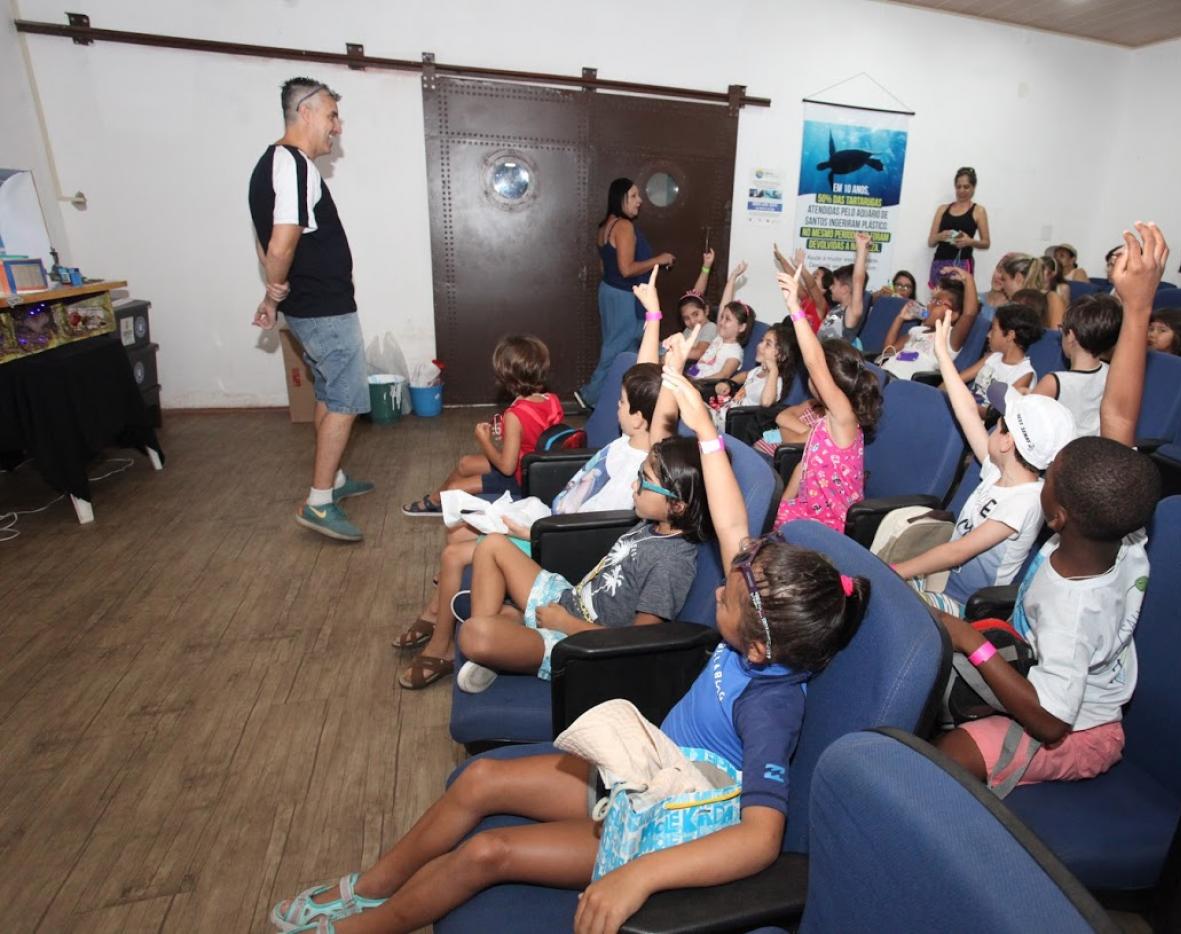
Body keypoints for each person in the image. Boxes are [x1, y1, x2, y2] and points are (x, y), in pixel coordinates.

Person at [269, 368, 870, 934]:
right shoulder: (759, 633)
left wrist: (640, 876)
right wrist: (707, 433)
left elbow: (762, 838)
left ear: (761, 647)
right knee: (480, 779)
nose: (717, 588)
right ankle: (373, 886)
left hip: (656, 824)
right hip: (638, 767)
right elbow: (734, 524)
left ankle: (361, 927)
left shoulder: (770, 704)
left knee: (488, 852)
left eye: (728, 598)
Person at [929, 221, 1171, 794]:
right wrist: (1137, 309)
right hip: (1033, 664)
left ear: (1057, 516)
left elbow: (1050, 719)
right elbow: (1118, 421)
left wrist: (970, 641)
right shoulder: (1122, 530)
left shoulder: (1075, 607)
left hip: (1077, 728)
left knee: (943, 755)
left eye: (1051, 479)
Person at [395, 270, 674, 688]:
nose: (613, 406)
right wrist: (651, 316)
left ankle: (442, 647)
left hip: (559, 534)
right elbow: (646, 382)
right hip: (546, 515)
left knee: (456, 553)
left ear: (640, 418)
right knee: (456, 537)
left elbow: (658, 403)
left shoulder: (647, 456)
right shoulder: (627, 438)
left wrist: (674, 358)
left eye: (620, 402)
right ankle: (436, 615)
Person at [454, 433, 709, 694]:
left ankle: (500, 641)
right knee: (491, 545)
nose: (634, 485)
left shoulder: (672, 562)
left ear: (677, 505)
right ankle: (500, 645)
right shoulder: (654, 525)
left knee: (474, 634)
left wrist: (565, 624)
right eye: (639, 474)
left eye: (645, 482)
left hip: (581, 642)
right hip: (569, 600)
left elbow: (637, 644)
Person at [249, 77, 374, 542]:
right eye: (331, 116)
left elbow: (268, 246)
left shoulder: (272, 167)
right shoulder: (292, 165)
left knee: (327, 390)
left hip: (314, 305)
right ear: (305, 112)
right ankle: (319, 502)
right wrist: (275, 290)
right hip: (323, 306)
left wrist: (273, 295)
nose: (336, 128)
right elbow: (280, 244)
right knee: (345, 398)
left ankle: (334, 480)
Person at [893, 316, 1075, 617]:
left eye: (999, 425)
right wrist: (943, 355)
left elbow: (958, 551)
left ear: (1006, 442)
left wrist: (895, 572)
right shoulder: (999, 470)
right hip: (941, 583)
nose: (990, 428)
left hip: (963, 607)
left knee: (883, 596)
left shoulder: (1026, 501)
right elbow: (967, 411)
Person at [401, 335, 562, 516]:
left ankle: (439, 503)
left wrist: (484, 441)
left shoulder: (514, 416)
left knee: (455, 487)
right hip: (534, 468)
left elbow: (507, 468)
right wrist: (512, 434)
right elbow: (535, 434)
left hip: (520, 480)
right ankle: (434, 500)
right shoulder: (552, 400)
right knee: (465, 464)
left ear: (506, 377)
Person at [775, 270, 883, 534]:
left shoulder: (843, 417)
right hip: (803, 511)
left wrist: (794, 308)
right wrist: (782, 505)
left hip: (826, 526)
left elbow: (814, 362)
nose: (811, 376)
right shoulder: (829, 416)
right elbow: (804, 465)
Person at [578, 178, 675, 409]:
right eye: (633, 196)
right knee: (616, 348)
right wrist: (659, 260)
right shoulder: (623, 226)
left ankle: (620, 398)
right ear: (619, 198)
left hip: (610, 292)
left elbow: (606, 267)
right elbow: (626, 269)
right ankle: (589, 396)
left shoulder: (605, 227)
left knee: (627, 348)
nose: (639, 201)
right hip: (623, 296)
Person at [1031, 294, 1122, 439]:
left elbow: (1021, 420)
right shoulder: (1114, 375)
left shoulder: (1054, 382)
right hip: (1094, 454)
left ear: (1071, 337)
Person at [878, 266, 979, 381]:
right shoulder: (916, 331)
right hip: (883, 374)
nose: (930, 305)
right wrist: (900, 318)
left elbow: (969, 314)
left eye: (938, 302)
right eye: (932, 300)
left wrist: (968, 278)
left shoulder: (949, 337)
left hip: (902, 383)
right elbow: (887, 351)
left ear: (954, 315)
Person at [711, 322, 797, 435]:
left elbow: (766, 403)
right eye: (762, 340)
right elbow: (745, 375)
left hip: (732, 424)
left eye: (768, 344)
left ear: (781, 356)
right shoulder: (758, 370)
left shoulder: (776, 381)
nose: (759, 345)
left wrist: (774, 371)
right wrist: (728, 383)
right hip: (722, 412)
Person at [955, 303, 1042, 414]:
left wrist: (961, 404)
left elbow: (994, 414)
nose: (988, 334)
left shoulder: (1024, 374)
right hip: (966, 410)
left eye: (994, 329)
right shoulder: (993, 357)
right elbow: (957, 380)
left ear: (1010, 335)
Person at [927, 167, 991, 286]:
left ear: (973, 188)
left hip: (962, 263)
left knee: (959, 300)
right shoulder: (942, 209)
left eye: (966, 187)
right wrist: (940, 236)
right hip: (939, 262)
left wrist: (969, 241)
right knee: (938, 301)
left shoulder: (978, 211)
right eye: (958, 186)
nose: (962, 190)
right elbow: (931, 242)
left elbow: (986, 243)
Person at [818, 233, 871, 345]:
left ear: (845, 289)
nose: (830, 287)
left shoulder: (851, 313)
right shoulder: (836, 309)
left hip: (836, 361)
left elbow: (858, 280)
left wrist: (861, 248)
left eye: (834, 284)